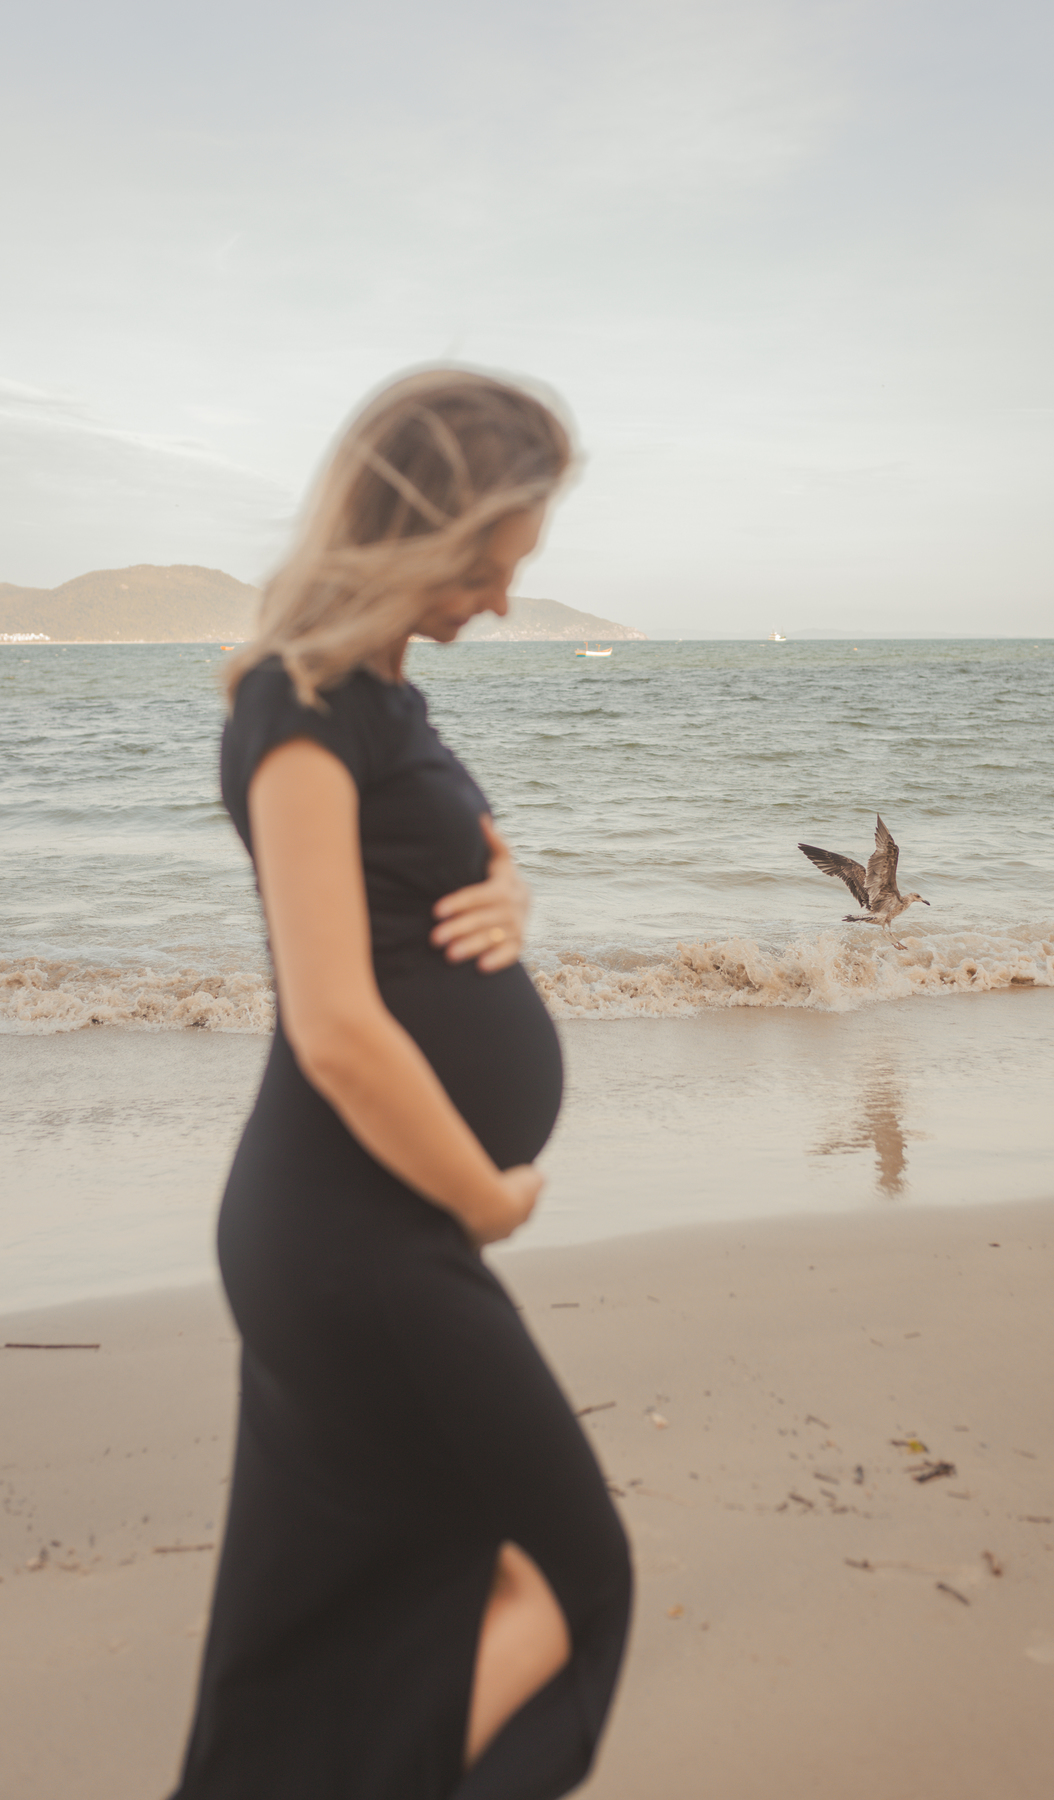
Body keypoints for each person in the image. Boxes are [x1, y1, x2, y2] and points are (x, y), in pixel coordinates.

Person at [170, 369, 632, 1799]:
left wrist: (511, 902)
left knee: (334, 1623)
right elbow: (338, 1029)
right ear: (417, 528)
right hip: (357, 1239)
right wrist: (485, 1198)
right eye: (491, 565)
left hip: (362, 1234)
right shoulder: (296, 709)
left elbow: (429, 886)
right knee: (571, 1580)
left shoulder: (377, 696)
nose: (500, 601)